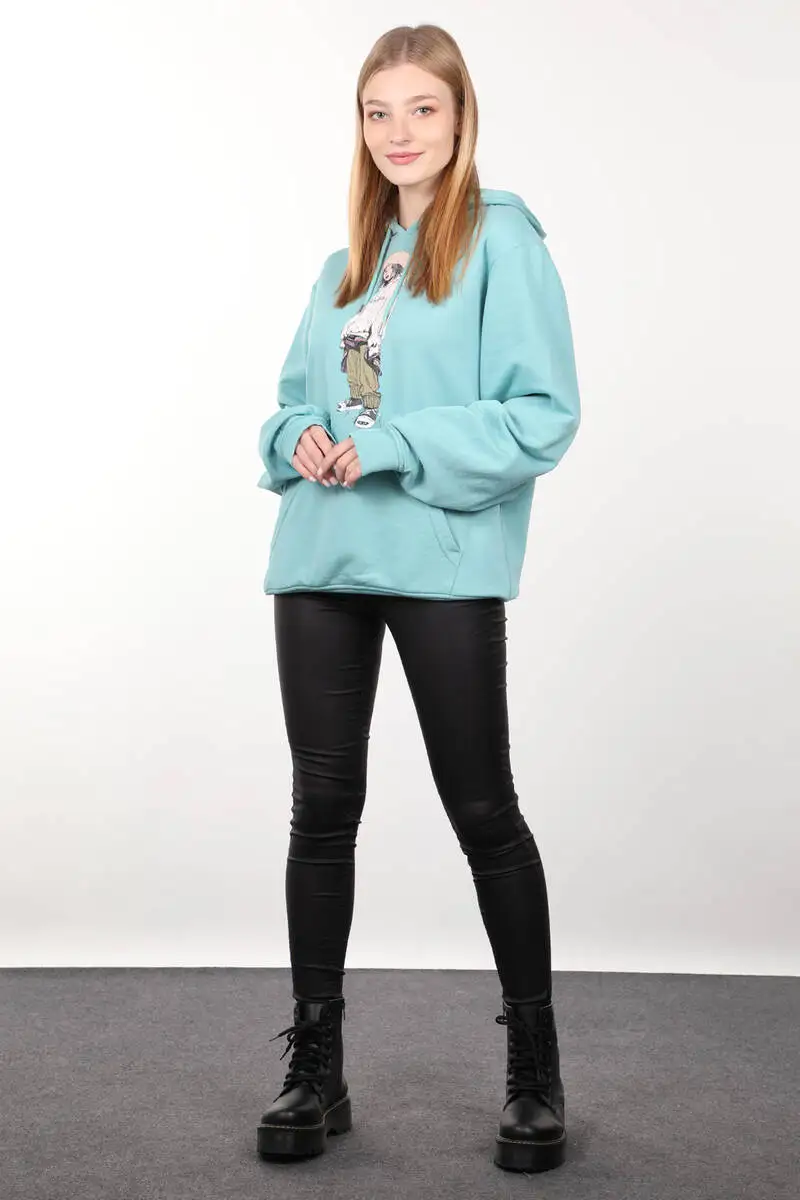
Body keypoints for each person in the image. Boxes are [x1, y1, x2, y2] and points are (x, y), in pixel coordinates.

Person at [254, 23, 581, 1175]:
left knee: (481, 809)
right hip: (320, 564)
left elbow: (540, 416)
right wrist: (298, 440)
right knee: (320, 814)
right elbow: (285, 406)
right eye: (377, 112)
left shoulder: (501, 240)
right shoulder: (343, 264)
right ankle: (316, 1070)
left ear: (459, 118)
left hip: (439, 565)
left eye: (421, 109)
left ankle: (534, 1071)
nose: (398, 133)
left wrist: (392, 444)